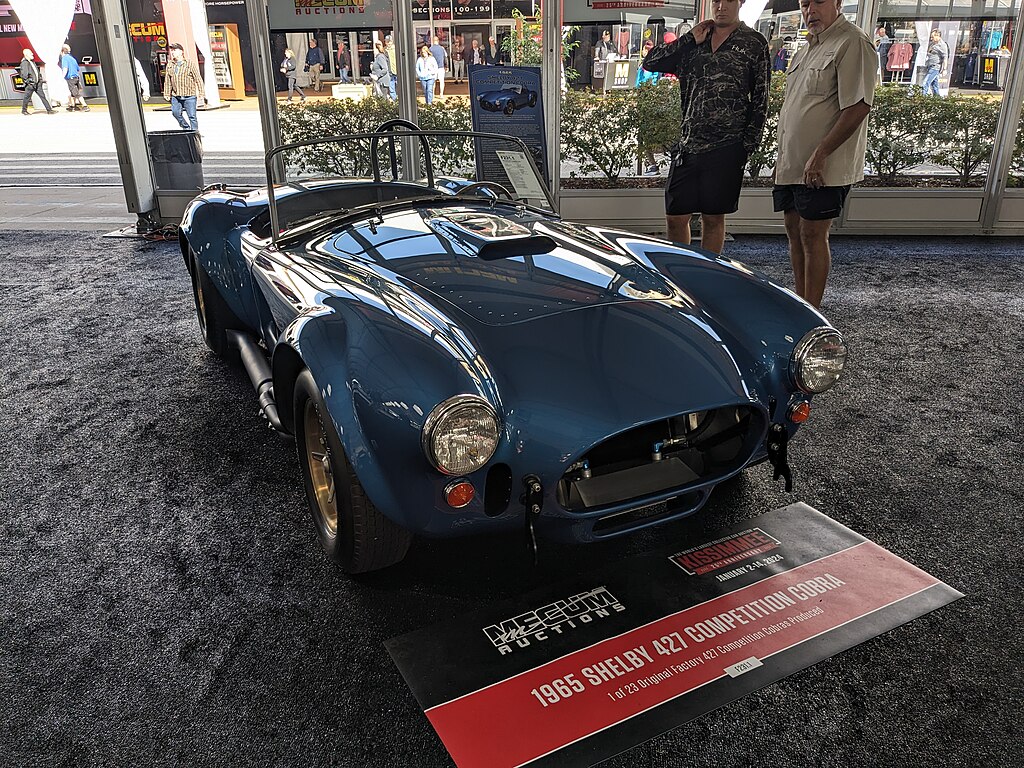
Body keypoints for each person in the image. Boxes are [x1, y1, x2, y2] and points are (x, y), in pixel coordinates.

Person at [642, 0, 770, 254]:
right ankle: (682, 274)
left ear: (740, 3)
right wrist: (688, 39)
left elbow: (760, 97)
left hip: (727, 146)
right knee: (675, 217)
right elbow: (651, 62)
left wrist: (748, 144)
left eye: (729, 1)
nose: (721, 6)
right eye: (716, 1)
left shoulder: (753, 42)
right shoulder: (695, 41)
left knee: (713, 219)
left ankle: (709, 275)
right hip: (689, 145)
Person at [773, 0, 876, 308]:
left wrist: (821, 153)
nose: (810, 11)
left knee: (812, 235)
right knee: (794, 231)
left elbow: (858, 105)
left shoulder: (852, 42)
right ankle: (802, 304)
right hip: (793, 161)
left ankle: (812, 312)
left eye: (818, 2)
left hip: (822, 165)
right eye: (805, 4)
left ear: (837, 3)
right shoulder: (806, 48)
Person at [163, 42, 205, 129]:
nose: (173, 52)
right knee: (175, 113)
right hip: (176, 95)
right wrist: (167, 93)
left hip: (189, 95)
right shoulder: (170, 64)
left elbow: (198, 78)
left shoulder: (189, 64)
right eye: (172, 50)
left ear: (181, 52)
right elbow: (167, 81)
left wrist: (201, 92)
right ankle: (186, 127)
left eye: (175, 50)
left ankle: (194, 133)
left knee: (192, 116)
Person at [19, 49, 55, 115]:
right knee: (27, 97)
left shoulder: (32, 62)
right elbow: (24, 74)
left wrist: (40, 79)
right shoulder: (24, 63)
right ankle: (24, 110)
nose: (32, 54)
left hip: (37, 83)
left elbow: (36, 71)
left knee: (43, 96)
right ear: (26, 54)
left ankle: (49, 110)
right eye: (31, 53)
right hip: (31, 84)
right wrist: (29, 82)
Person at [60, 44, 89, 112]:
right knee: (73, 92)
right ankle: (73, 106)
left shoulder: (65, 58)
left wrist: (62, 77)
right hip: (76, 77)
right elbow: (77, 69)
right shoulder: (72, 58)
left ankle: (85, 106)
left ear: (62, 51)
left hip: (71, 78)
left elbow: (65, 68)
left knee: (76, 93)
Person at [922, 29, 948, 96]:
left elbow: (945, 57)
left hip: (935, 67)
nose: (931, 38)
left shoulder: (942, 45)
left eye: (932, 37)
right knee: (934, 85)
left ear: (937, 36)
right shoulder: (932, 44)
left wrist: (944, 69)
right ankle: (937, 98)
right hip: (929, 65)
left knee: (925, 82)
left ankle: (922, 97)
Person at [385, 35, 398, 101]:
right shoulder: (385, 50)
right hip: (390, 71)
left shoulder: (397, 49)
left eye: (389, 41)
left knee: (400, 86)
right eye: (387, 42)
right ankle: (394, 99)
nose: (388, 43)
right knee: (391, 87)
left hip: (397, 70)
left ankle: (401, 98)